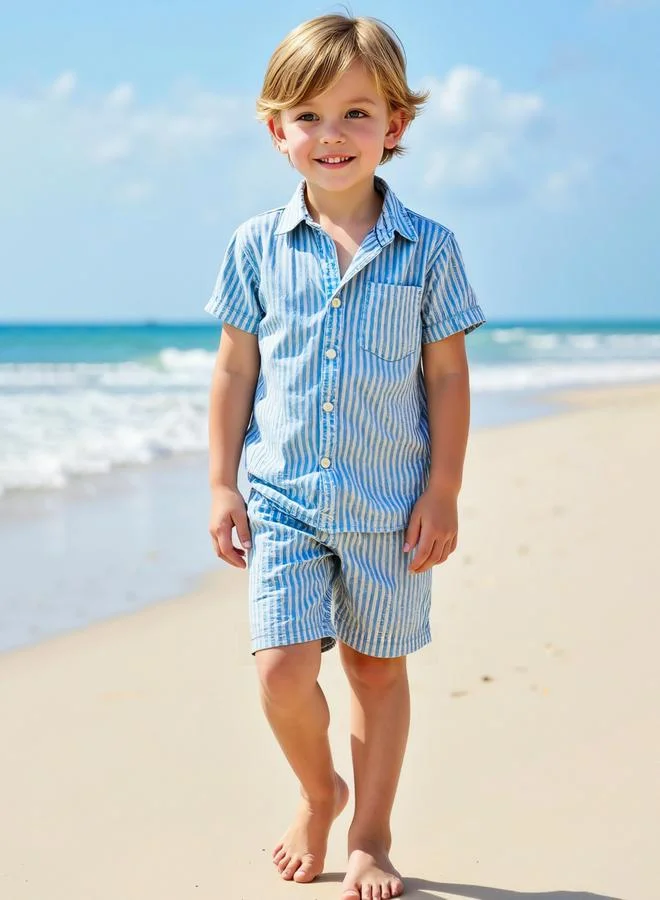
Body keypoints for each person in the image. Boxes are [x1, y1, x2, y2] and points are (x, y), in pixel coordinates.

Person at [205, 13, 486, 900]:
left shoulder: (428, 248)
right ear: (276, 131)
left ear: (395, 126)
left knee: (374, 666)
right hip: (283, 496)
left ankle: (370, 835)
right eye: (310, 116)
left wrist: (443, 490)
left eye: (357, 114)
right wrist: (221, 482)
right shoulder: (255, 246)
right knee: (283, 668)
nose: (332, 136)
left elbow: (445, 377)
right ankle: (317, 789)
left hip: (389, 502)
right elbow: (235, 365)